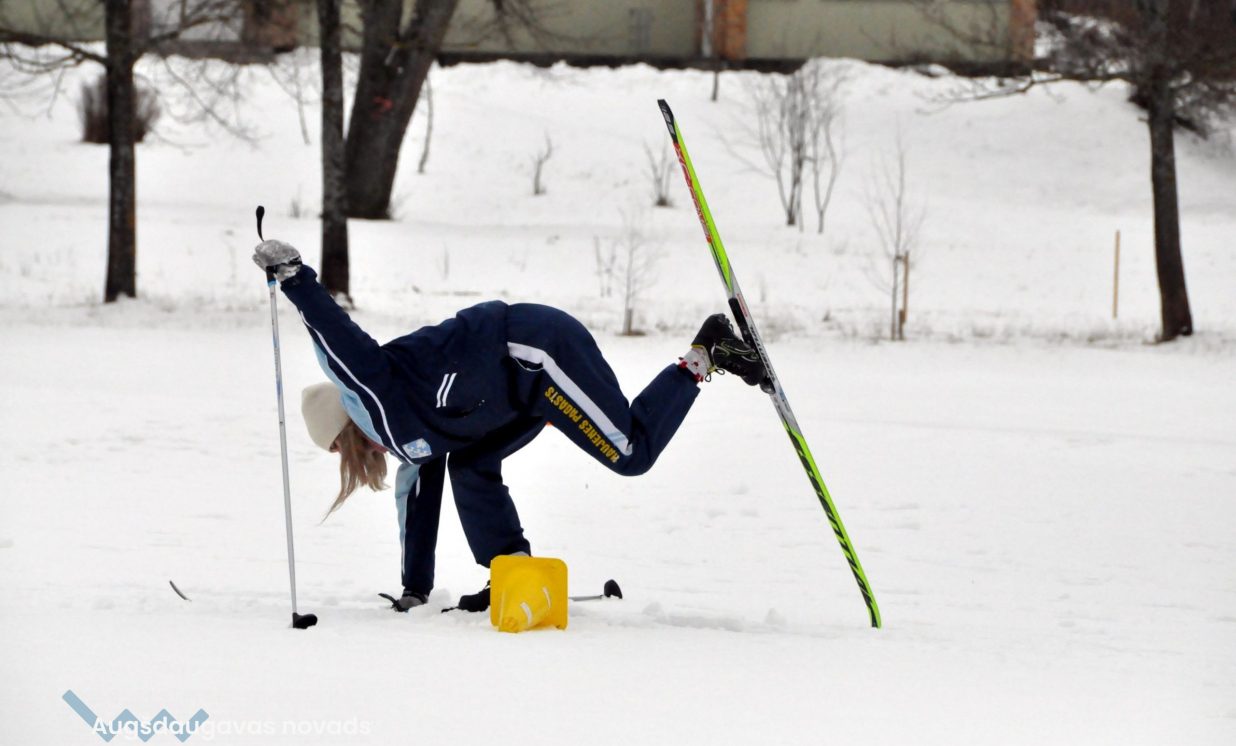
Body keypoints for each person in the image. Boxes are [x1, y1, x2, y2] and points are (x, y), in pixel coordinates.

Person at [253, 239, 767, 612]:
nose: (347, 459)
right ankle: (511, 572)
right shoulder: (407, 442)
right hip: (522, 392)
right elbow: (415, 506)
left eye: (336, 449)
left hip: (535, 352)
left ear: (345, 430)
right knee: (471, 465)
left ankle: (707, 351)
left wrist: (294, 278)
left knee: (629, 453)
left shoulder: (375, 393)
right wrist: (415, 590)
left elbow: (338, 340)